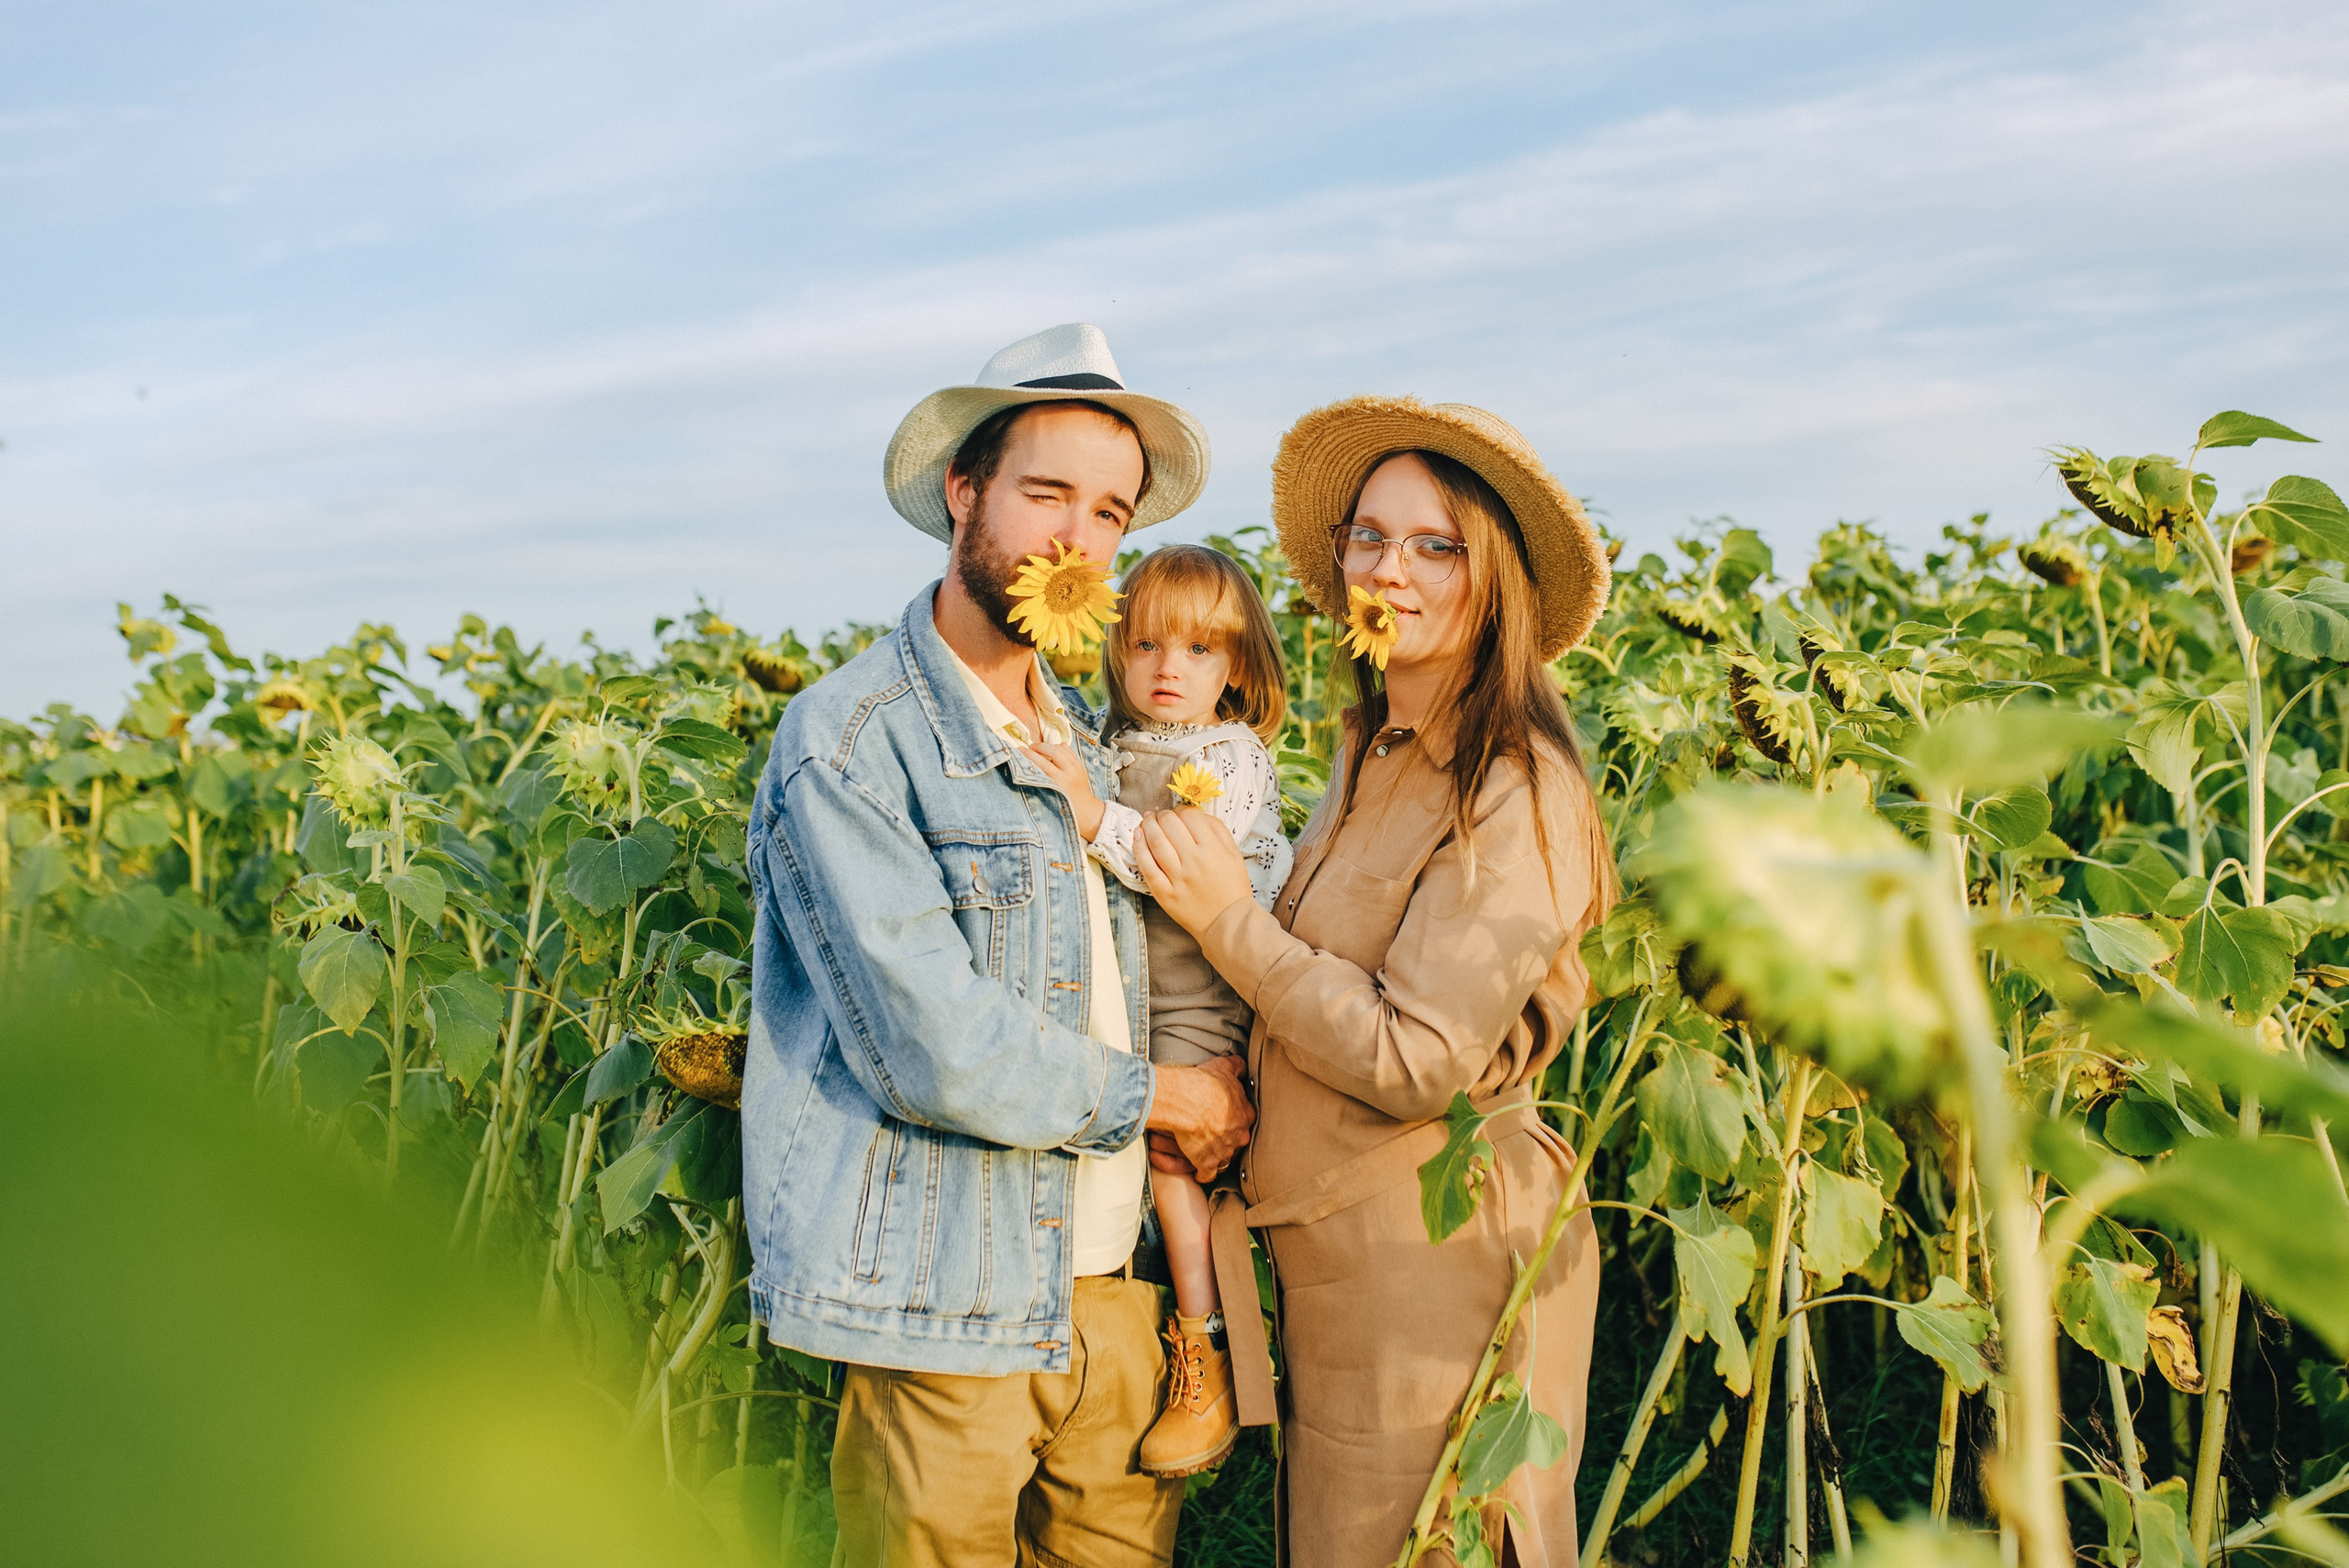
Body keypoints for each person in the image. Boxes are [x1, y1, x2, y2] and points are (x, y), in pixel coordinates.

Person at [740, 324, 1256, 1568]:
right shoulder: (855, 740)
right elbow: (935, 1046)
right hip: (945, 1308)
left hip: (1117, 1304)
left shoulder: (1093, 736)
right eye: (1046, 495)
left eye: (1110, 513)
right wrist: (1171, 1094)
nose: (1078, 540)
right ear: (963, 494)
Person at [1132, 395, 1618, 1565]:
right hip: (1343, 1268)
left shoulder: (1513, 784)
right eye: (1367, 537)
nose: (1386, 569)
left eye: (1433, 545)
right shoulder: (1365, 753)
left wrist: (1225, 920)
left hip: (1437, 1260)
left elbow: (1418, 1059)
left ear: (1492, 578)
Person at [1024, 543, 1294, 1479]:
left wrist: (1093, 817)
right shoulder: (1112, 744)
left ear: (1240, 670)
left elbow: (1188, 866)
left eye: (1197, 649)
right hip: (1135, 985)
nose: (1166, 668)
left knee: (1177, 1159)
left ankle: (1204, 1347)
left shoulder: (1227, 754)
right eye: (1143, 645)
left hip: (1200, 988)